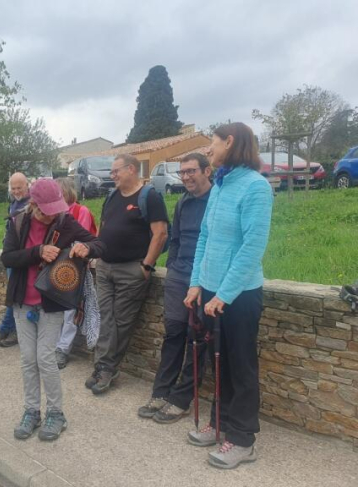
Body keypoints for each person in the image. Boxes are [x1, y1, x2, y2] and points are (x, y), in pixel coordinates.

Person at [184, 122, 273, 469]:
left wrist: (225, 293)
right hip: (210, 291)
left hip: (238, 295)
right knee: (216, 361)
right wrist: (196, 283)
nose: (209, 149)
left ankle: (243, 439)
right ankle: (220, 423)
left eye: (213, 143)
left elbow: (253, 246)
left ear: (230, 142)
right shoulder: (220, 184)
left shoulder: (255, 187)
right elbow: (204, 238)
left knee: (240, 365)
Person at [2, 179, 105, 442]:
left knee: (45, 358)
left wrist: (87, 248)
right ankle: (32, 411)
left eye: (53, 209)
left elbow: (98, 243)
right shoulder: (16, 222)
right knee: (28, 359)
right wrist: (37, 252)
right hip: (22, 302)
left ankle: (56, 414)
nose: (49, 215)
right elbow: (8, 257)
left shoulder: (64, 221)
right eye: (45, 210)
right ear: (33, 204)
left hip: (51, 303)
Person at [138, 153, 212, 423]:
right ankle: (161, 392)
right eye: (182, 172)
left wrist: (203, 279)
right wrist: (173, 267)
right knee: (173, 334)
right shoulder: (182, 202)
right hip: (179, 275)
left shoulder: (216, 202)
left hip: (205, 278)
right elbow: (177, 238)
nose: (186, 177)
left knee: (197, 338)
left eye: (191, 171)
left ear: (207, 171)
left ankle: (181, 399)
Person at [86, 154, 169, 395]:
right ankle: (102, 365)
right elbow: (103, 227)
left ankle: (107, 369)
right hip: (105, 267)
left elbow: (160, 233)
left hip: (131, 270)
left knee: (122, 323)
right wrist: (98, 254)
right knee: (105, 318)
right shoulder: (112, 196)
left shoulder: (149, 197)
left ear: (131, 169)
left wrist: (145, 266)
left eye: (116, 171)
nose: (112, 176)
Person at [54, 178, 97, 369]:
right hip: (54, 268)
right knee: (54, 309)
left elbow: (83, 241)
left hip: (74, 268)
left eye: (60, 192)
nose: (57, 197)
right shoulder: (53, 213)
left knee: (70, 310)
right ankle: (53, 345)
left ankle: (63, 349)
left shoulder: (81, 211)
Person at [0, 172, 30, 348]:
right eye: (14, 188)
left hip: (25, 257)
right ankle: (7, 329)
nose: (16, 191)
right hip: (13, 255)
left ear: (27, 185)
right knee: (13, 294)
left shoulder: (32, 204)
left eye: (20, 187)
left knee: (20, 295)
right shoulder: (14, 204)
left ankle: (11, 330)